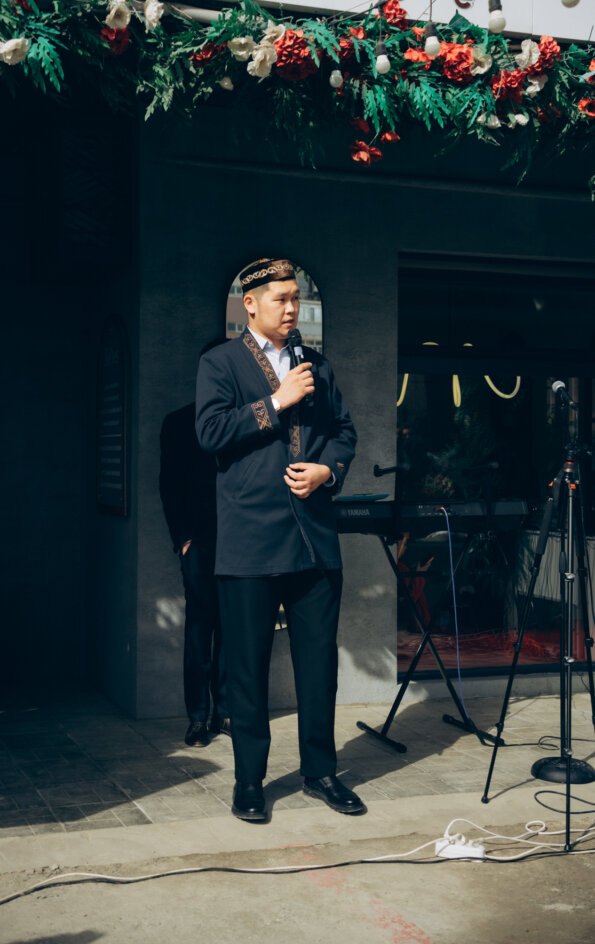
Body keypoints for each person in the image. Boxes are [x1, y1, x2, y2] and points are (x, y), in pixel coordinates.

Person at [195, 258, 365, 821]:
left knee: (319, 667)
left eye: (296, 299)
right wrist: (277, 401)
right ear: (250, 304)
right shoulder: (220, 363)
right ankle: (249, 780)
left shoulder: (318, 364)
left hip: (314, 540)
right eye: (281, 299)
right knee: (248, 669)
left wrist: (328, 471)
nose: (292, 309)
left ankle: (321, 772)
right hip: (248, 543)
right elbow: (210, 433)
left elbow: (344, 432)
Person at [160, 384, 229, 747]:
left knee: (233, 627)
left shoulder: (245, 418)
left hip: (239, 541)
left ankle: (226, 712)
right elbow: (168, 484)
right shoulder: (179, 421)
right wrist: (183, 539)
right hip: (198, 541)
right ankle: (198, 717)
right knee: (200, 628)